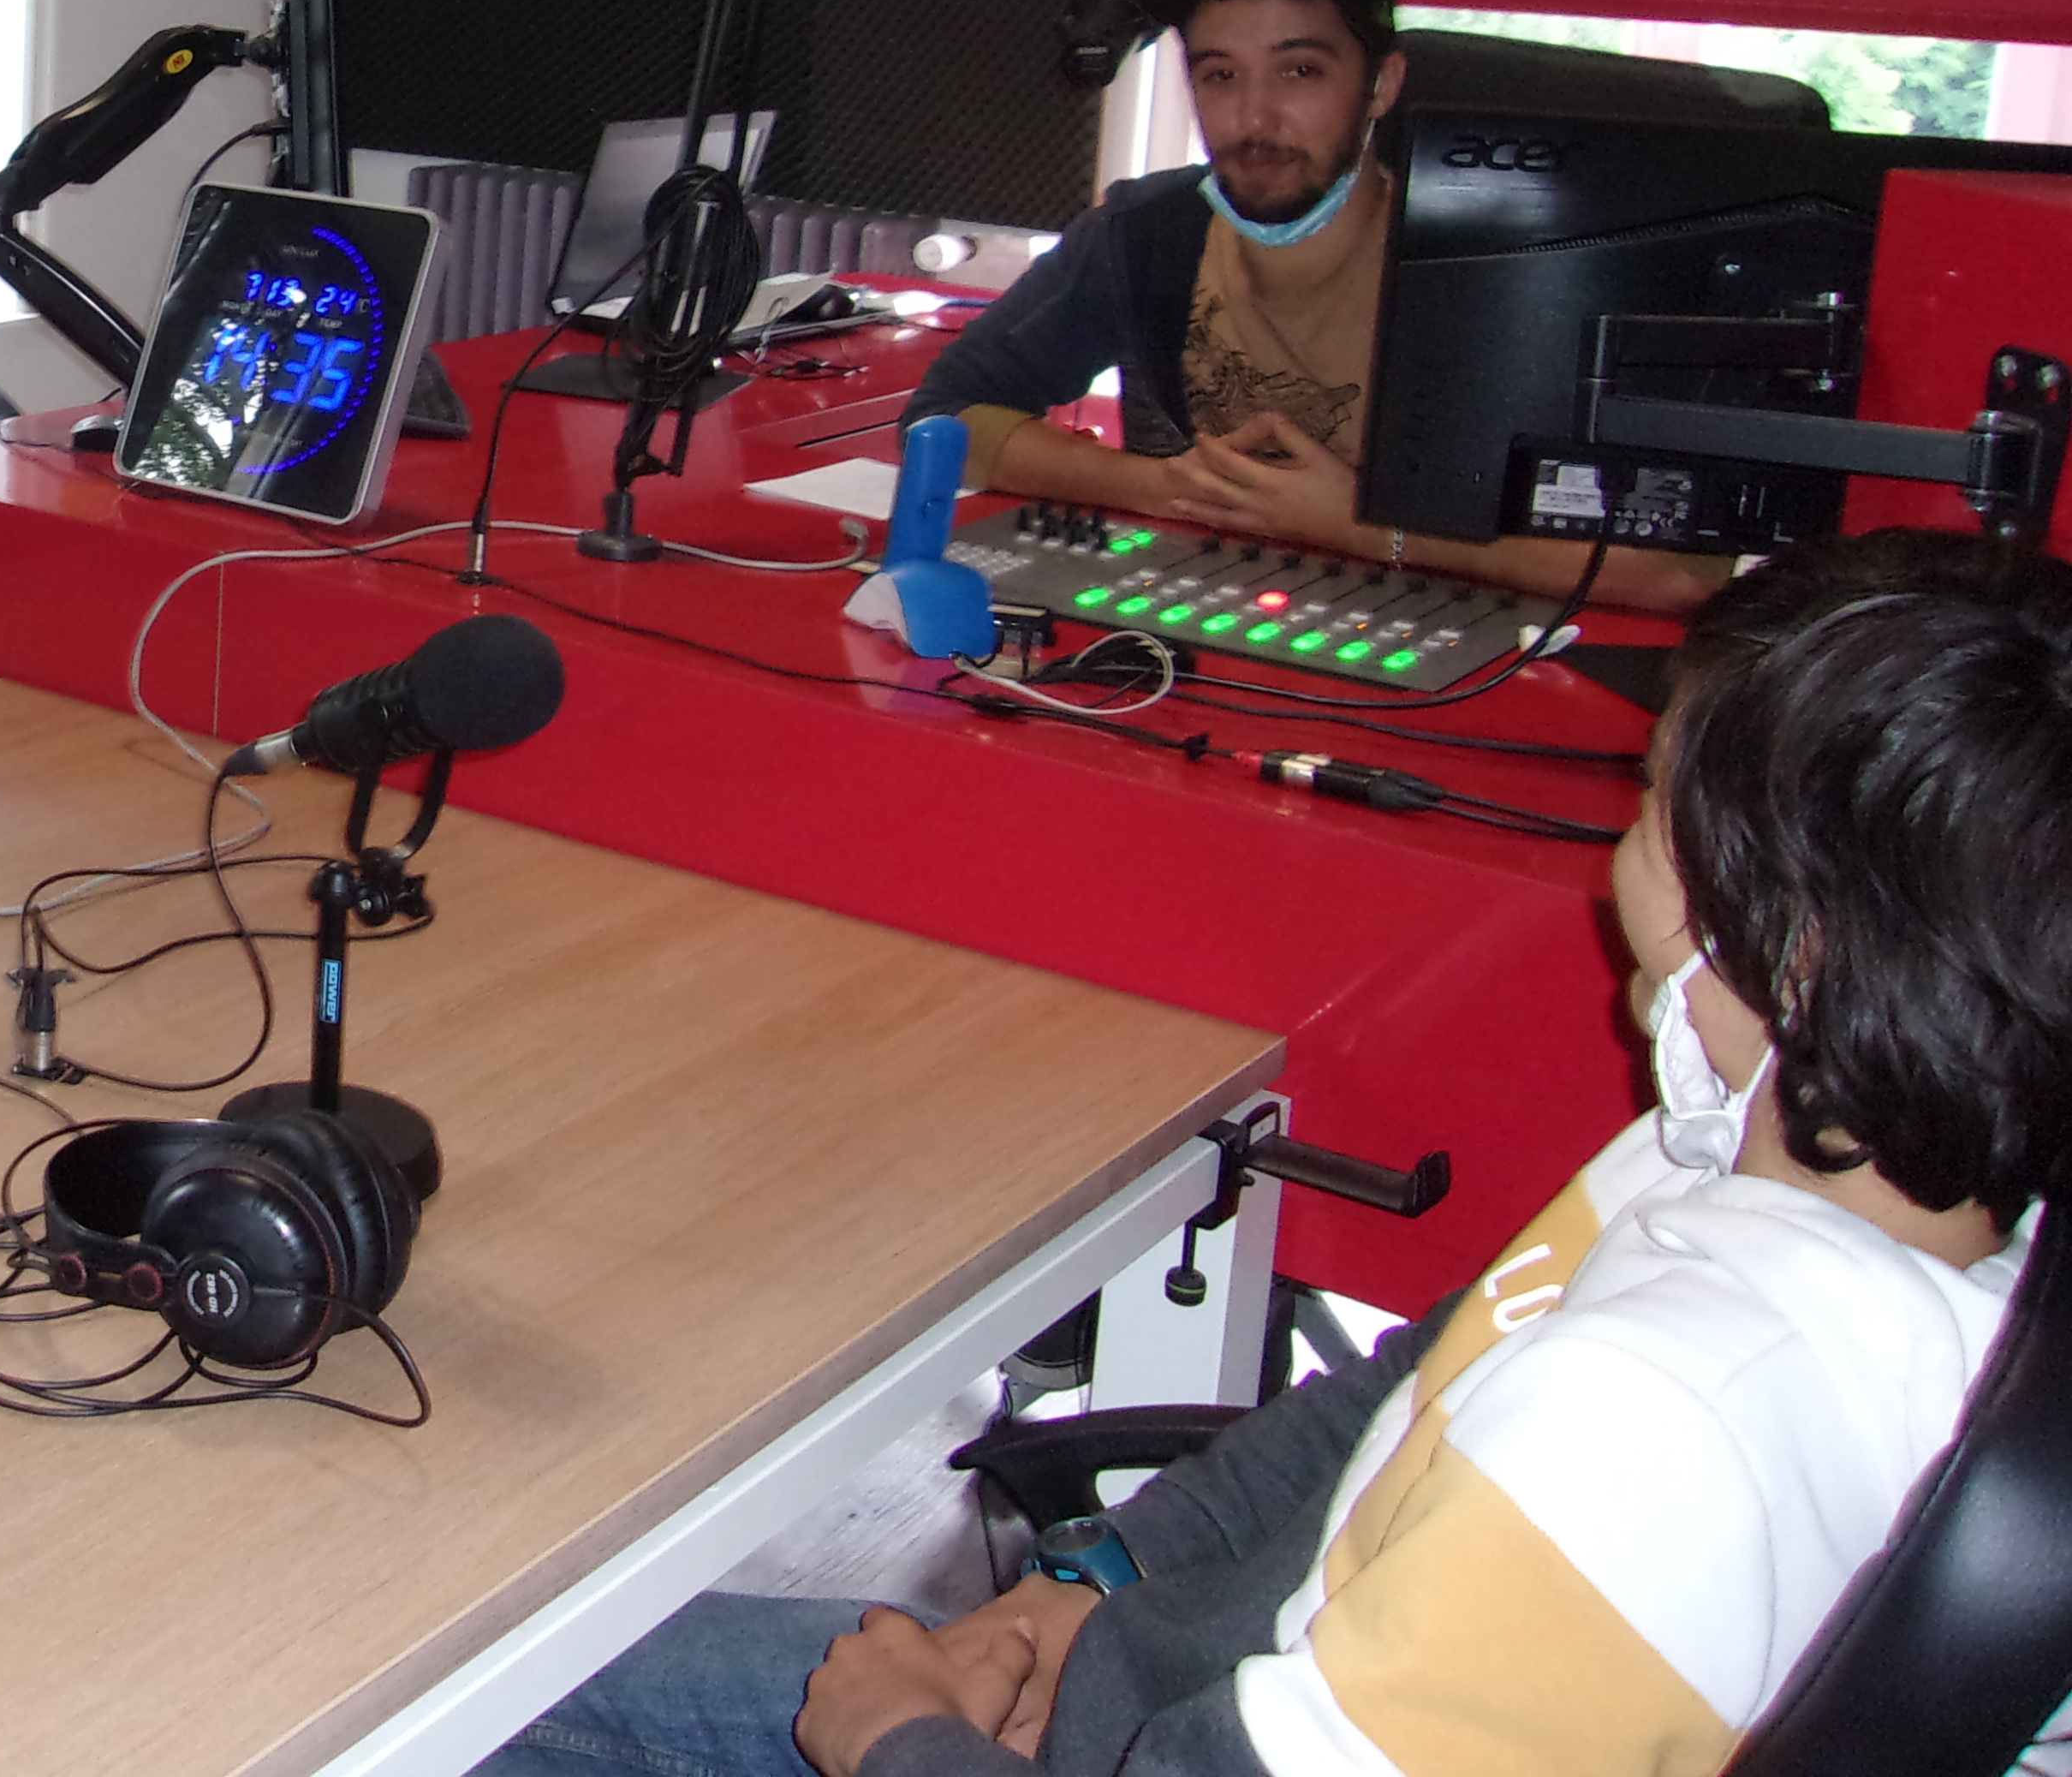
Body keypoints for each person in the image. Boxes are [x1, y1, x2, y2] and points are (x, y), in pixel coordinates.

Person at [478, 524, 2071, 1777]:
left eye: (1656, 805)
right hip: (1156, 1678)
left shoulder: (1654, 1432)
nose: (1620, 853)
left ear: (1790, 948)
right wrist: (1083, 1590)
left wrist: (896, 1740)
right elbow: (1397, 1402)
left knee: (442, 1714)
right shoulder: (1760, 1167)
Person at [906, 0, 1711, 611]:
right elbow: (943, 416)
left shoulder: (1509, 261)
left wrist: (1363, 527)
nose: (1255, 119)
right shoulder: (1145, 234)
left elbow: (1679, 571)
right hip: (1199, 637)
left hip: (1468, 664)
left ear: (1382, 84)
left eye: (1299, 71)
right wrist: (1166, 486)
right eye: (1220, 75)